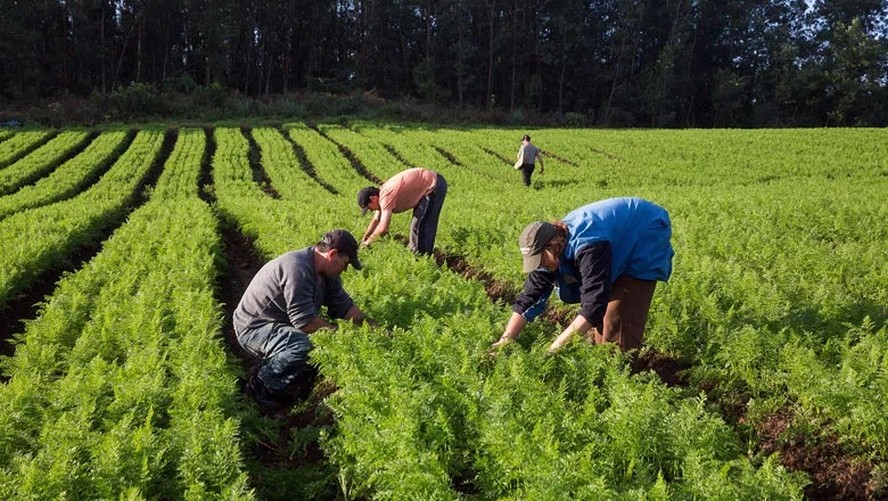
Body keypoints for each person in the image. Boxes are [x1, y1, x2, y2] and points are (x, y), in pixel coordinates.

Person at [492, 197, 674, 353]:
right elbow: (529, 298)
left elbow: (593, 305)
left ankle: (618, 377)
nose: (539, 267)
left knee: (618, 323)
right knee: (600, 325)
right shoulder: (552, 250)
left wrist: (554, 349)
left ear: (553, 247)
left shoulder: (588, 247)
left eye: (540, 261)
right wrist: (505, 340)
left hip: (644, 233)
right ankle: (601, 367)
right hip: (615, 238)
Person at [234, 229, 373, 412]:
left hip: (280, 324)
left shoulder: (328, 273)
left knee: (314, 344)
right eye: (345, 263)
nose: (345, 269)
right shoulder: (297, 268)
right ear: (332, 254)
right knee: (303, 344)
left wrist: (372, 328)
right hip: (254, 328)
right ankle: (260, 385)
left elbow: (344, 306)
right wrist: (343, 333)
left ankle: (293, 385)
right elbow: (306, 323)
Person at [357, 167, 448, 255]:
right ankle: (418, 255)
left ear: (373, 198)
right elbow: (376, 220)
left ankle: (421, 258)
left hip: (434, 186)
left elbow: (383, 228)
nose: (371, 210)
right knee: (418, 224)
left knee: (420, 224)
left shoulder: (386, 197)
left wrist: (368, 243)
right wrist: (365, 238)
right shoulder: (381, 194)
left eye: (369, 208)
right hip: (429, 184)